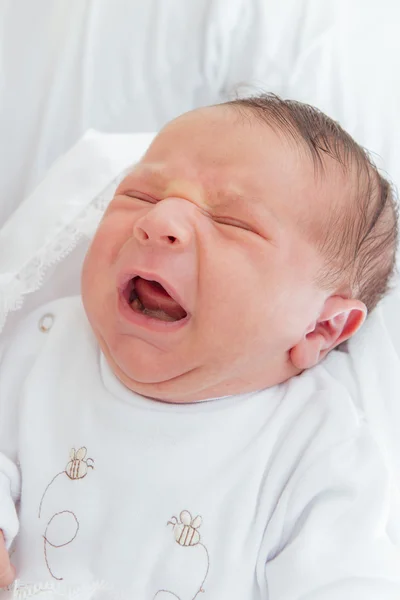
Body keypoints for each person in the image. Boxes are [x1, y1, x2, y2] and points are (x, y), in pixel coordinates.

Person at [0, 94, 399, 599]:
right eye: (140, 195)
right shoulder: (45, 344)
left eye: (232, 223)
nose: (159, 221)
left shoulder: (316, 447)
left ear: (319, 329)